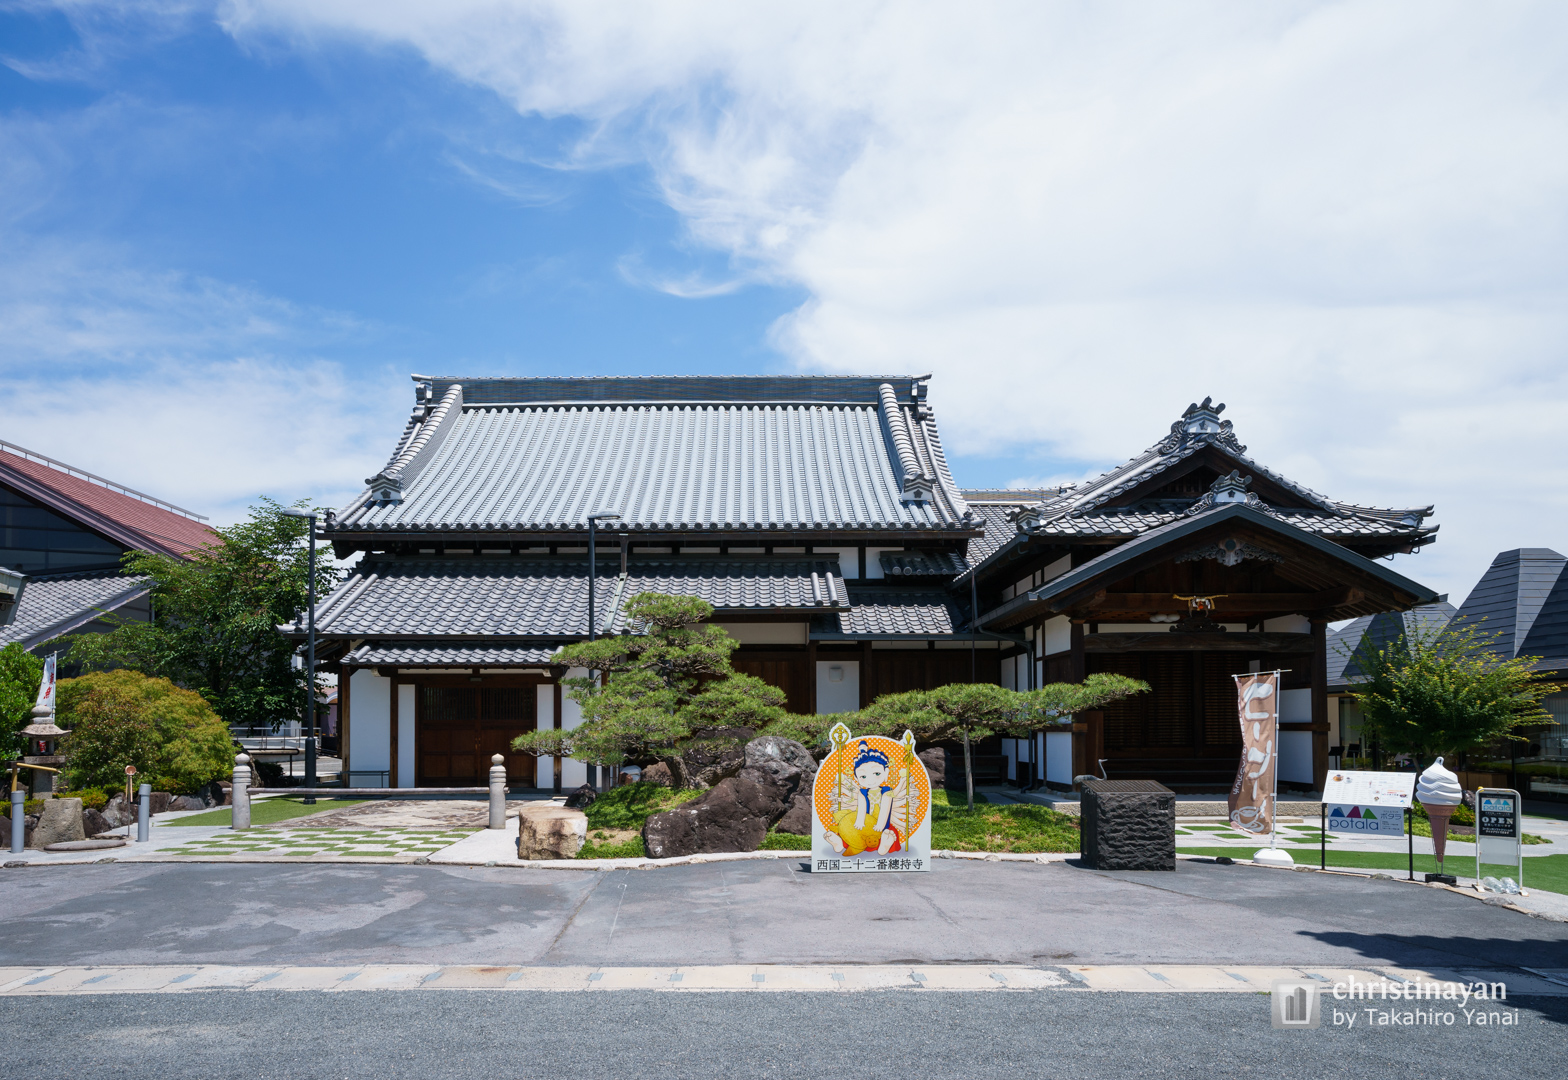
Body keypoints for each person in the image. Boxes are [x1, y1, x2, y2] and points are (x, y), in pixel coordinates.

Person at [823, 740, 911, 857]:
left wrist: (880, 824)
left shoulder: (887, 791)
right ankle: (839, 844)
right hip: (865, 823)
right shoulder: (862, 792)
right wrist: (859, 821)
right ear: (856, 778)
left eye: (877, 774)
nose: (870, 780)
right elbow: (861, 809)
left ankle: (884, 845)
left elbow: (885, 809)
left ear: (886, 773)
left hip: (882, 824)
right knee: (851, 832)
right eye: (863, 776)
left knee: (887, 832)